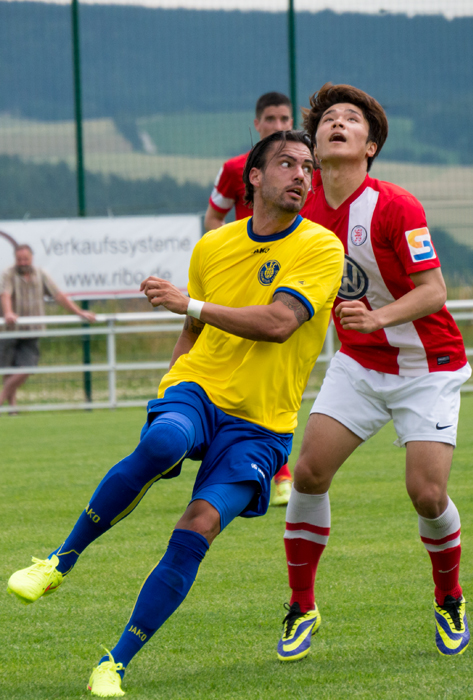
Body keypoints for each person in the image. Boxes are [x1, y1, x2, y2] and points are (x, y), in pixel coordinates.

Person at [8, 130, 344, 698]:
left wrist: (186, 300)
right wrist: (170, 385)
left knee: (199, 525)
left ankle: (114, 662)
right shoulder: (213, 246)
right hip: (199, 389)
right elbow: (194, 332)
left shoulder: (320, 247)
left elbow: (279, 322)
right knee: (163, 443)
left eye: (308, 167)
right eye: (287, 163)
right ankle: (58, 562)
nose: (302, 175)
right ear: (254, 178)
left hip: (262, 424)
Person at [276, 84, 472, 662]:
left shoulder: (395, 206)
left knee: (426, 493)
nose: (337, 123)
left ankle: (449, 596)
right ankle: (301, 605)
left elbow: (435, 292)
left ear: (371, 145)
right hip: (360, 364)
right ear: (315, 143)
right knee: (308, 473)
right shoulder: (302, 212)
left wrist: (377, 317)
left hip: (427, 367)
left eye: (351, 120)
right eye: (328, 119)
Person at [205, 91, 295, 505]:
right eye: (271, 118)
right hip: (239, 287)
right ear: (256, 126)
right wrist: (216, 259)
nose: (278, 125)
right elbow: (214, 215)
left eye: (285, 118)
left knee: (270, 379)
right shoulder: (233, 169)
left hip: (280, 288)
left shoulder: (301, 172)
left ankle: (277, 470)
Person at [0, 244, 96, 413]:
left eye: (26, 259)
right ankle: (12, 408)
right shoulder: (8, 274)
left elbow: (58, 295)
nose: (22, 262)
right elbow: (5, 294)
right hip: (10, 329)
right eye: (19, 259)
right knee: (9, 369)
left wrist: (79, 312)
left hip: (32, 329)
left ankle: (1, 399)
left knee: (27, 367)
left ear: (31, 259)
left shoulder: (40, 274)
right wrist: (8, 313)